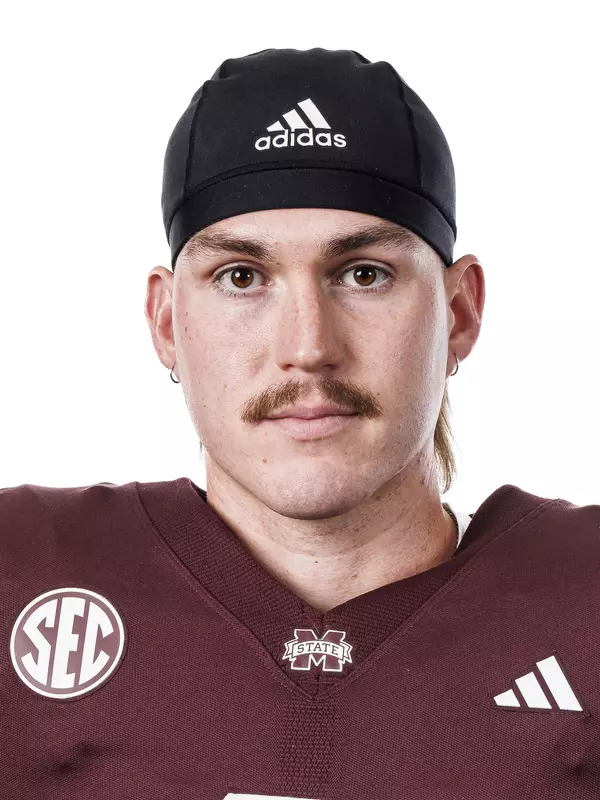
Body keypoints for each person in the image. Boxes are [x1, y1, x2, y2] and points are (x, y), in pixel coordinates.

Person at [1, 47, 598, 800]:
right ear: (166, 322)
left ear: (459, 312)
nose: (308, 347)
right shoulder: (22, 573)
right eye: (241, 277)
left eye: (364, 274)